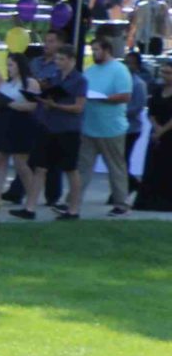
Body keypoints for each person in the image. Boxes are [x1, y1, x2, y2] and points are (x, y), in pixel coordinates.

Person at [71, 32, 135, 217]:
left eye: (96, 50)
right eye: (92, 50)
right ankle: (73, 201)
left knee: (116, 167)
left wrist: (104, 98)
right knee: (82, 167)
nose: (93, 53)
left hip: (111, 128)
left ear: (107, 50)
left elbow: (125, 96)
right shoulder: (90, 70)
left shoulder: (119, 70)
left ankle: (121, 203)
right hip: (89, 127)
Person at [28, 31, 87, 219]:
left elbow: (79, 107)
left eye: (61, 59)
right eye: (57, 59)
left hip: (69, 129)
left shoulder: (80, 80)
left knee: (70, 169)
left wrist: (56, 105)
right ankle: (30, 208)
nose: (58, 62)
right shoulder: (55, 77)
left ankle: (74, 209)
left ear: (71, 60)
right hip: (50, 126)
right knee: (40, 167)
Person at [0, 48, 46, 218]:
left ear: (20, 65)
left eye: (12, 65)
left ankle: (32, 199)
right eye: (7, 65)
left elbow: (33, 106)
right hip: (3, 122)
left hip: (22, 123)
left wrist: (11, 104)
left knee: (21, 163)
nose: (9, 68)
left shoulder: (30, 83)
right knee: (0, 160)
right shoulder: (4, 84)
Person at [137, 57, 172, 212]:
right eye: (163, 72)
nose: (165, 76)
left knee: (167, 167)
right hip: (156, 133)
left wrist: (162, 130)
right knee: (152, 166)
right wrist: (156, 127)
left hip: (169, 134)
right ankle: (147, 200)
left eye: (169, 73)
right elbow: (151, 111)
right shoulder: (157, 89)